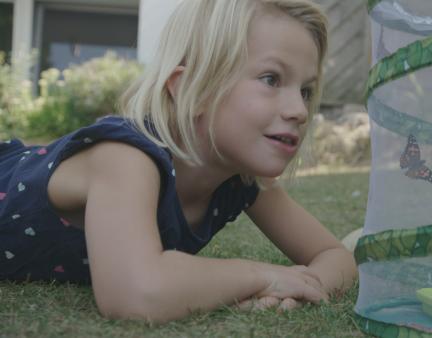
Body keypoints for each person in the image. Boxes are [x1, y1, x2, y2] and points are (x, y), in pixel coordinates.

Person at [0, 0, 357, 322]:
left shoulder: (244, 179)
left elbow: (335, 256)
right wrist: (265, 275)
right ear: (192, 90)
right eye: (271, 79)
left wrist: (301, 289)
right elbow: (135, 294)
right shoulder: (126, 157)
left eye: (305, 90)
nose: (299, 110)